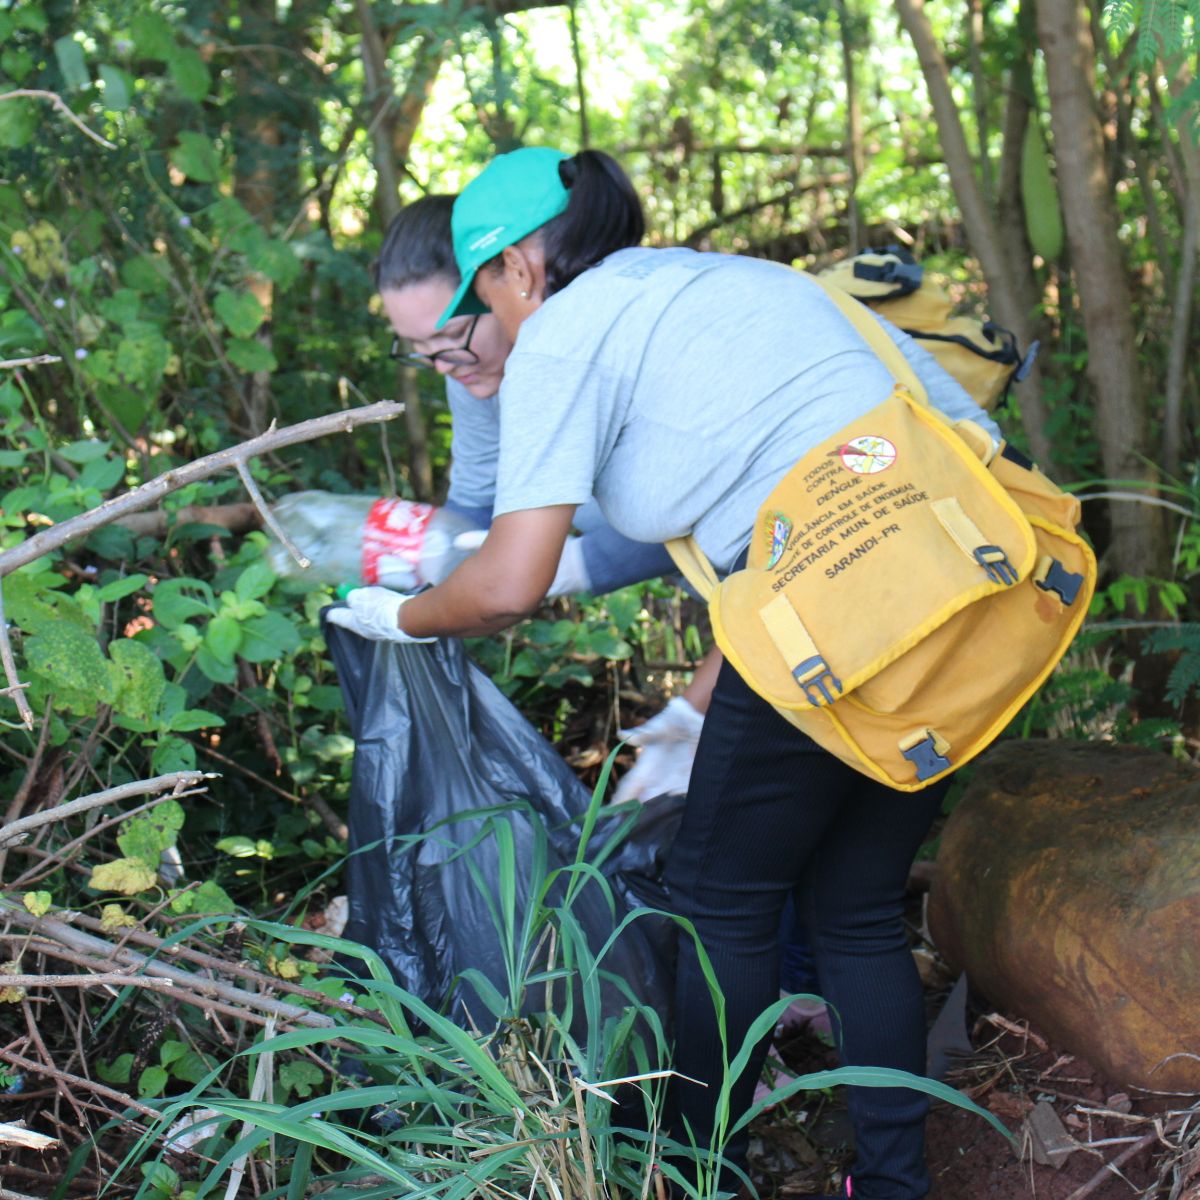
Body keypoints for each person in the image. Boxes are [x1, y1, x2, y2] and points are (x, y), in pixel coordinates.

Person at [329, 145, 1003, 1200]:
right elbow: (782, 491)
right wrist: (699, 700)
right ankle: (890, 1184)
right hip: (962, 585)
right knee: (857, 907)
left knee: (716, 904)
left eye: (472, 310)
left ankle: (693, 1174)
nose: (469, 341)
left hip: (837, 605)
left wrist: (402, 616)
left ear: (518, 270)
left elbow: (508, 581)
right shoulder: (706, 285)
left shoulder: (560, 339)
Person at [372, 192, 711, 802]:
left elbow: (693, 503)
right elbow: (476, 508)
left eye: (449, 336)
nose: (442, 366)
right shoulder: (476, 373)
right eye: (418, 350)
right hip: (749, 587)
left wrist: (568, 567)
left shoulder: (596, 349)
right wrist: (418, 576)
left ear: (503, 282)